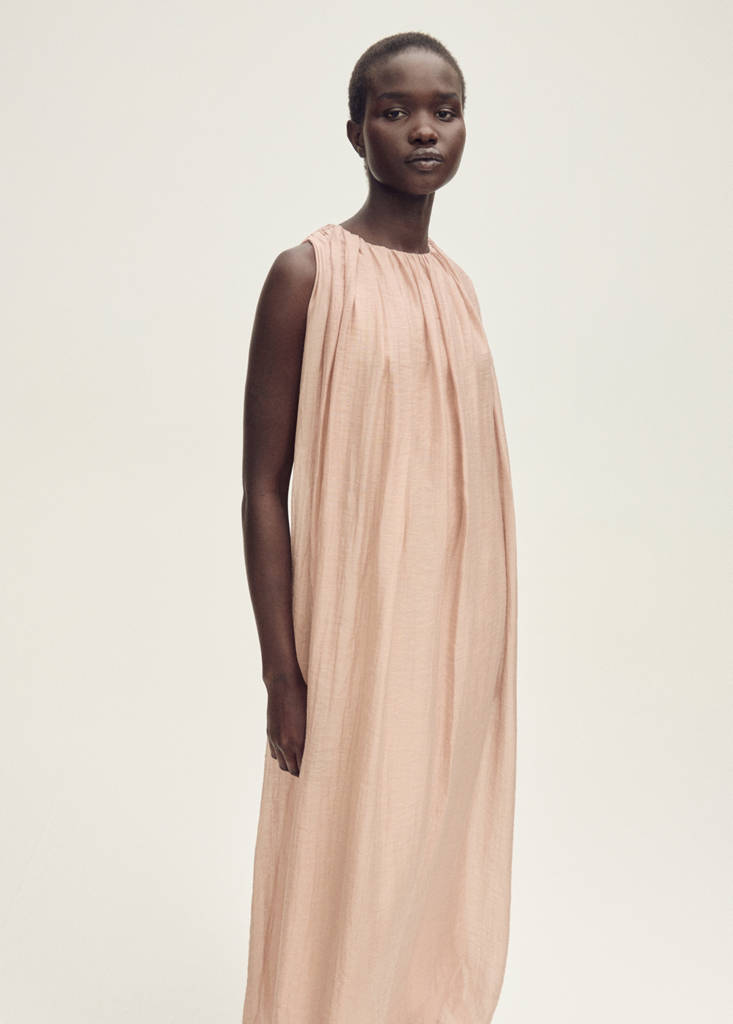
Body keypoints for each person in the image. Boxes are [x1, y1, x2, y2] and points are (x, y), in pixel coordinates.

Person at [240, 30, 518, 1024]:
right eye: (394, 111)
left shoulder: (457, 287)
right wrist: (282, 671)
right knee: (343, 849)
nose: (422, 130)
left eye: (445, 110)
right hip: (349, 639)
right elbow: (260, 486)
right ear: (355, 131)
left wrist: (485, 644)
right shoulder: (307, 274)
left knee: (432, 858)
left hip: (453, 640)